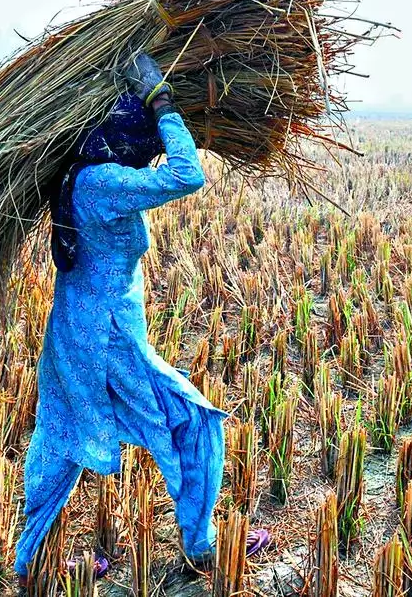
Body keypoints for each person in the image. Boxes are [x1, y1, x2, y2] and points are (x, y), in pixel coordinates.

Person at [15, 52, 273, 591]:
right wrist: (164, 103)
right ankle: (202, 546)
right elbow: (188, 173)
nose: (146, 154)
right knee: (188, 420)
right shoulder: (102, 182)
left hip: (74, 333)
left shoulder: (82, 175)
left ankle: (30, 560)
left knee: (58, 435)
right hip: (109, 338)